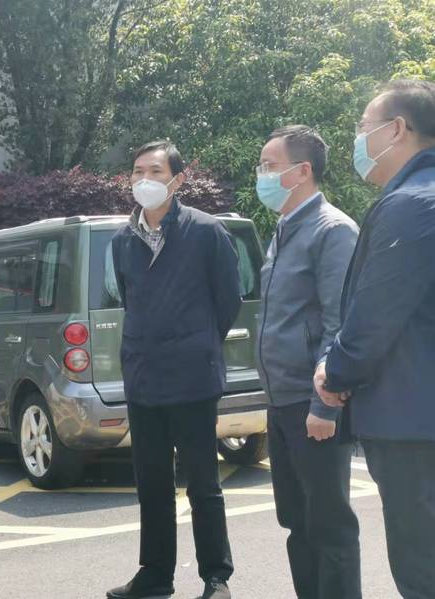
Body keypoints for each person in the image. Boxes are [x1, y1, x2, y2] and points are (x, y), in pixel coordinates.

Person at [314, 79, 435, 599]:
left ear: (397, 129)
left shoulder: (411, 204)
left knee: (422, 568)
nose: (359, 138)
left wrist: (334, 373)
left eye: (364, 126)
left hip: (413, 423)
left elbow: (374, 316)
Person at [107, 140, 242, 599]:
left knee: (203, 484)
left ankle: (215, 577)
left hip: (193, 379)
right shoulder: (122, 240)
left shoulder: (206, 231)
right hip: (143, 378)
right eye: (137, 171)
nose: (144, 179)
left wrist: (198, 342)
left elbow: (228, 300)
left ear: (178, 180)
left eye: (155, 171)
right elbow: (131, 301)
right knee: (152, 485)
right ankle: (155, 574)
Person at [255, 125, 361, 598]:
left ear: (302, 172)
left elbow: (341, 324)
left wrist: (325, 405)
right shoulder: (283, 230)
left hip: (313, 402)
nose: (261, 175)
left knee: (329, 526)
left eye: (269, 166)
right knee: (297, 523)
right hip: (281, 401)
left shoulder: (332, 230)